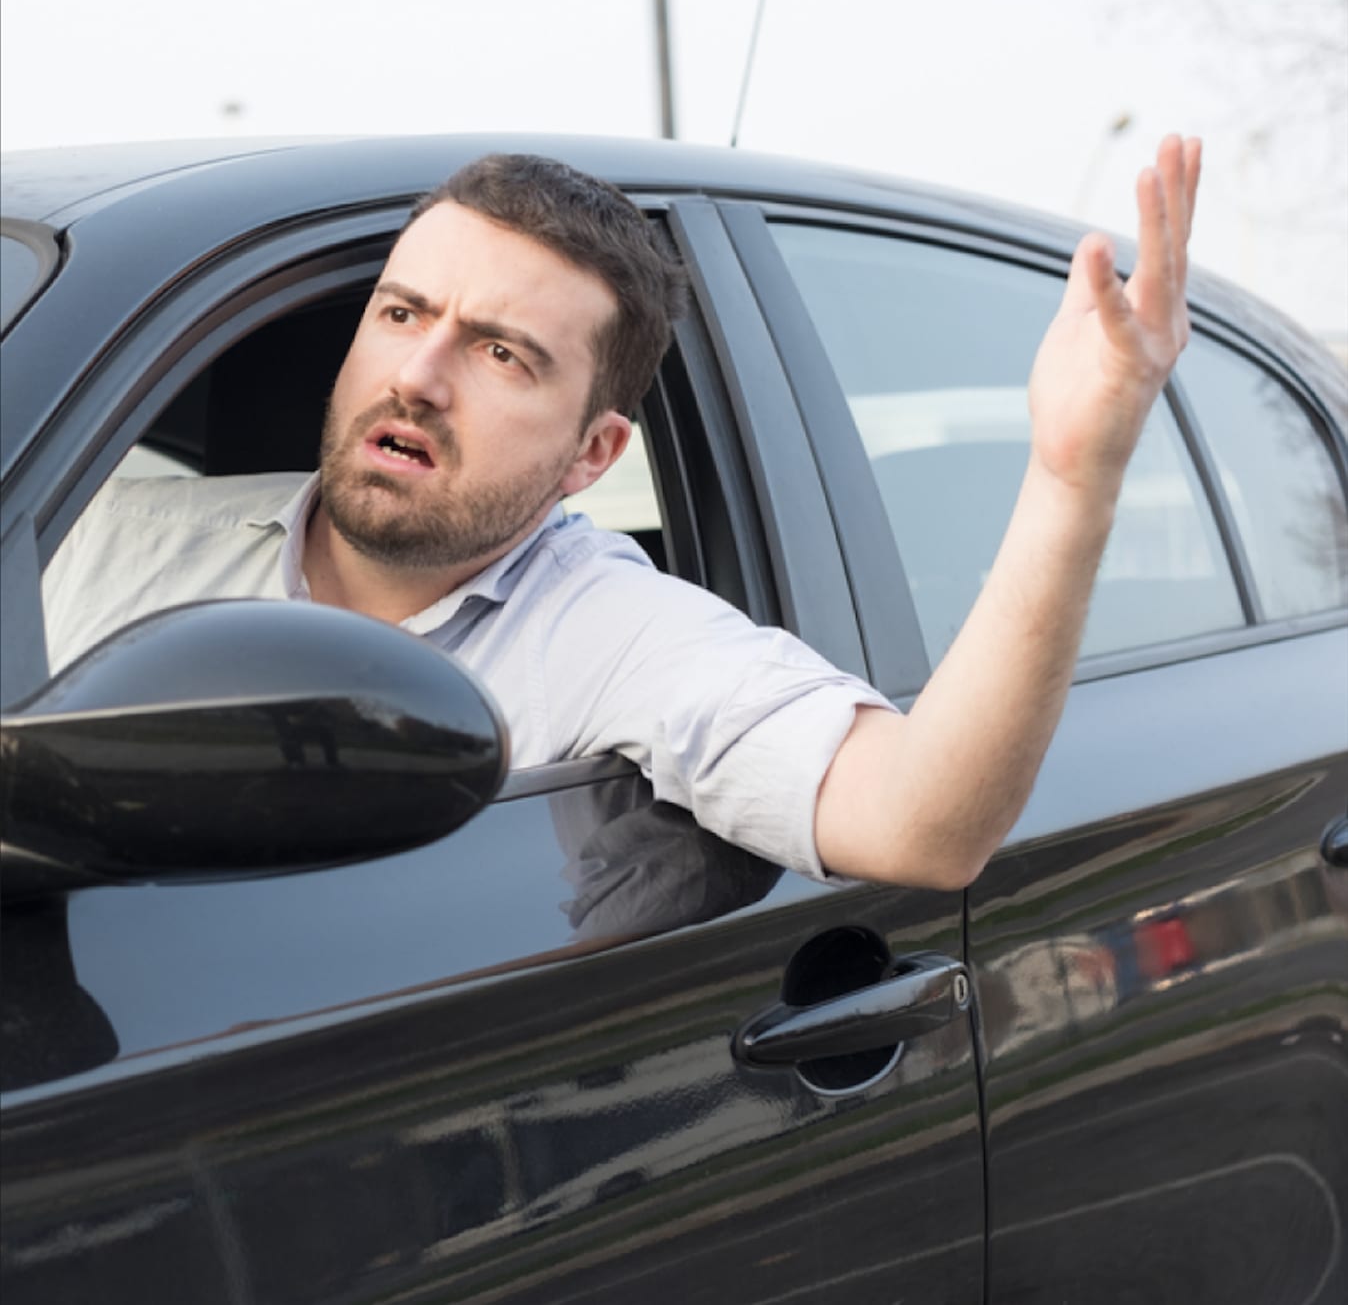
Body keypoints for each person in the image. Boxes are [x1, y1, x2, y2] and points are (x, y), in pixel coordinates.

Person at [42, 138, 1203, 890]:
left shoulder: (618, 635)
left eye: (501, 353)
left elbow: (919, 824)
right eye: (403, 315)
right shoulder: (92, 539)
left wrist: (1069, 480)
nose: (420, 377)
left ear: (590, 456)